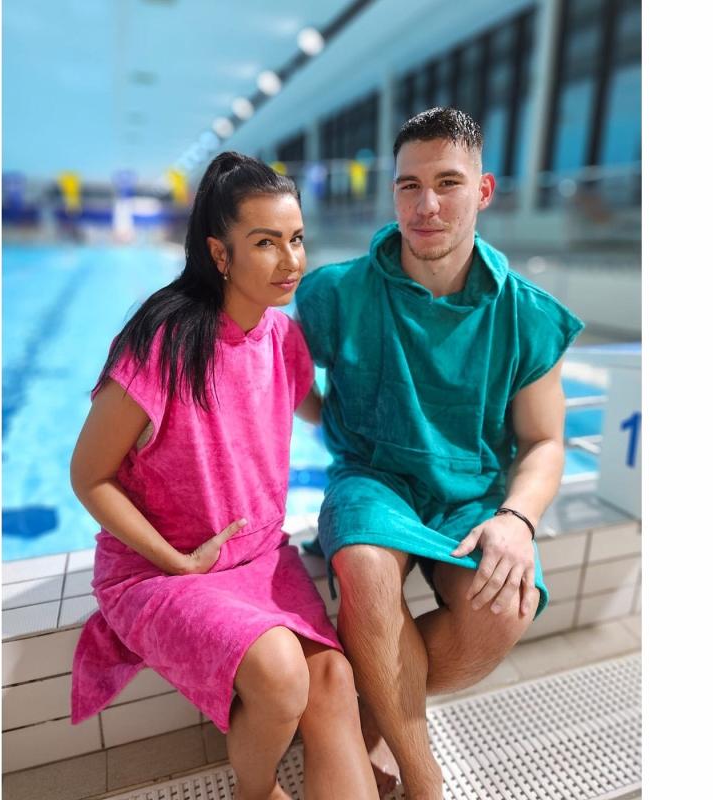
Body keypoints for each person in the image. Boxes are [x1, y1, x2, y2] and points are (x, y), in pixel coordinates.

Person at [295, 107, 584, 800]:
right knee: (365, 567)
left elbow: (545, 441)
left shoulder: (525, 314)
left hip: (473, 493)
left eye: (447, 183)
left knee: (503, 610)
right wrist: (328, 420)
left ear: (482, 191)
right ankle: (426, 781)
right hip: (373, 480)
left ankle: (363, 717)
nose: (425, 206)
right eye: (409, 185)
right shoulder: (335, 293)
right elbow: (277, 379)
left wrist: (517, 519)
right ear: (393, 192)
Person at [69, 152, 378, 800]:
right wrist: (178, 561)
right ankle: (255, 792)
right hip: (160, 569)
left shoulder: (281, 338)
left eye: (296, 239)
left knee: (332, 680)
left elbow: (327, 416)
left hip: (257, 557)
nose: (290, 260)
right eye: (265, 243)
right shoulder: (162, 344)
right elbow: (89, 476)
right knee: (283, 675)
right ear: (220, 253)